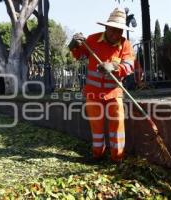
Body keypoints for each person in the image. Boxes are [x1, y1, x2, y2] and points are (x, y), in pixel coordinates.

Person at [68, 7, 135, 163]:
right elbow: (78, 54)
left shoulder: (125, 45)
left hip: (114, 92)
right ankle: (98, 154)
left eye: (119, 31)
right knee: (96, 126)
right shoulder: (92, 40)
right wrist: (73, 44)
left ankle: (117, 158)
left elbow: (130, 65)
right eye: (112, 30)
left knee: (117, 123)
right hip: (93, 93)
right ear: (106, 27)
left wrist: (115, 67)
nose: (115, 34)